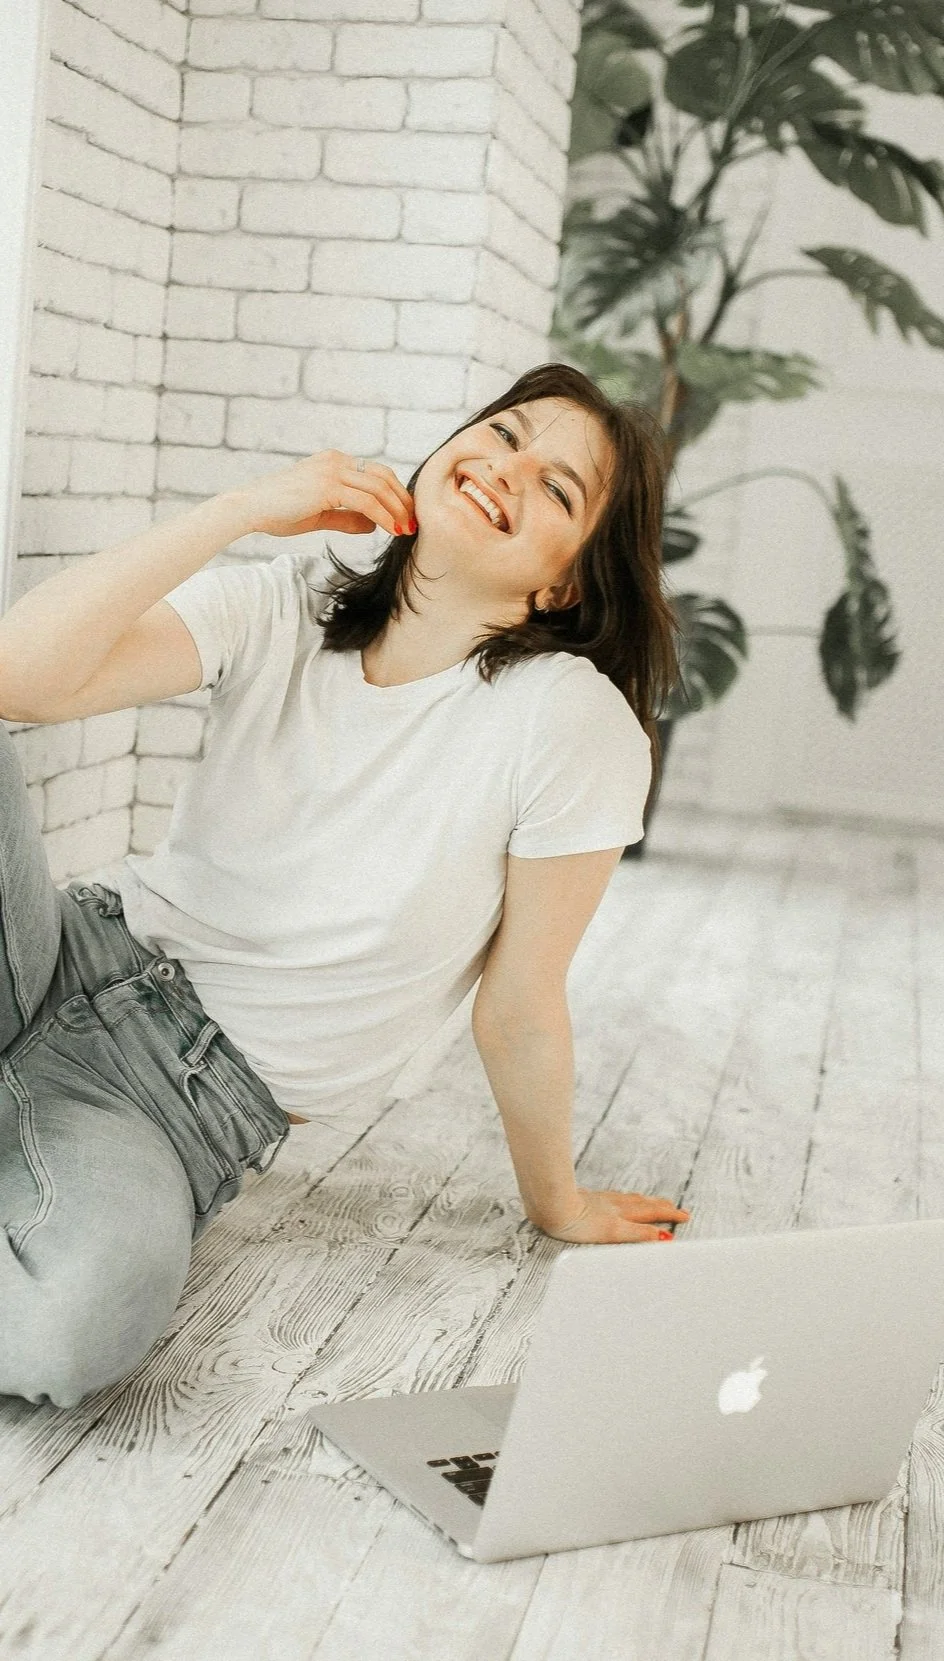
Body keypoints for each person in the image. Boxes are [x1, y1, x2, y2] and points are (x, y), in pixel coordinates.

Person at [0, 362, 691, 1409]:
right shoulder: (287, 603)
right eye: (504, 434)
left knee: (77, 1325)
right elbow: (19, 679)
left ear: (565, 585)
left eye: (559, 489)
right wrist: (239, 510)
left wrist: (557, 1202)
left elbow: (518, 1008)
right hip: (55, 951)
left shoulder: (567, 724)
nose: (510, 468)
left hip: (175, 1106)